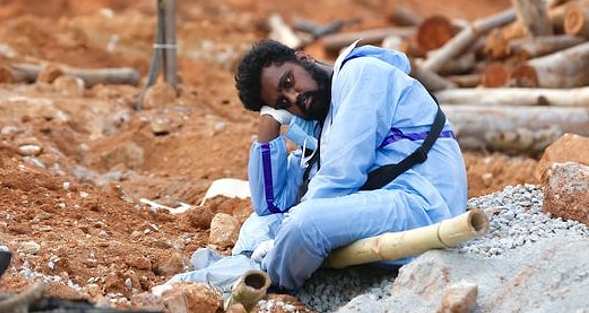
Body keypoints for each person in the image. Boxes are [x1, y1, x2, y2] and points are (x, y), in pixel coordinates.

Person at [157, 39, 467, 296]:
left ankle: (247, 278)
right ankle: (239, 268)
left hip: (421, 203)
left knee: (305, 222)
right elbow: (271, 204)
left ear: (303, 58)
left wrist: (283, 236)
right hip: (388, 205)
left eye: (289, 82)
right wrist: (269, 124)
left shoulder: (361, 75)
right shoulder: (322, 123)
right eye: (282, 101)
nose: (295, 98)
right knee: (260, 224)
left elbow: (342, 174)